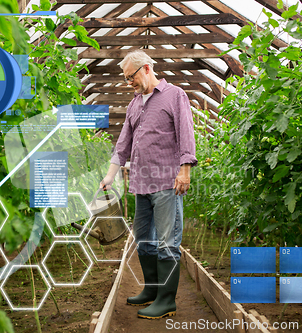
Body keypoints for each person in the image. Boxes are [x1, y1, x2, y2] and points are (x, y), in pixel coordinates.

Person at [99, 50, 197, 319]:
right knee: (143, 242)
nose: (128, 82)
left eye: (130, 76)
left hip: (167, 183)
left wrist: (185, 170)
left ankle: (167, 300)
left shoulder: (175, 95)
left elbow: (186, 133)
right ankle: (152, 290)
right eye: (125, 78)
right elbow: (123, 145)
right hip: (141, 184)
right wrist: (110, 175)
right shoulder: (134, 104)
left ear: (146, 69)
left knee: (168, 243)